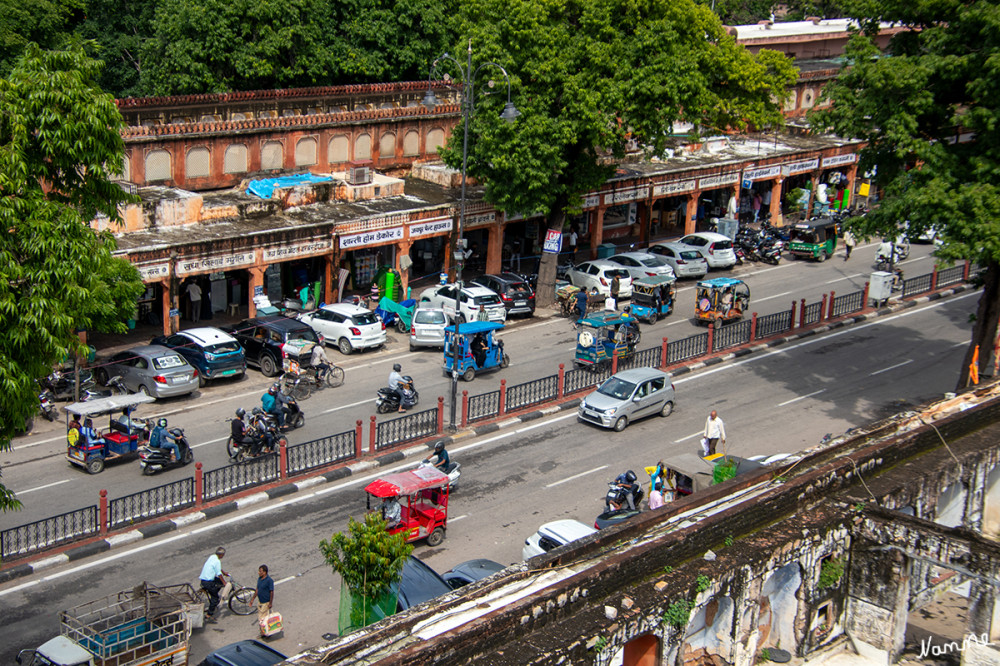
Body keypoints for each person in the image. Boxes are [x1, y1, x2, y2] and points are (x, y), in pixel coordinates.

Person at [199, 547, 227, 620]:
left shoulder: (212, 557)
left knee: (218, 582)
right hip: (208, 582)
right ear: (221, 555)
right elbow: (218, 573)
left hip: (203, 579)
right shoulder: (217, 561)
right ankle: (209, 614)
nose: (223, 556)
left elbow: (218, 568)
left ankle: (213, 592)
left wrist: (224, 573)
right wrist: (224, 583)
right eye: (223, 555)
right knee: (215, 597)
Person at [251, 564, 275, 638]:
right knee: (262, 619)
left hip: (266, 603)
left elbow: (271, 592)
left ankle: (265, 633)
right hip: (260, 602)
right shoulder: (259, 579)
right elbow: (257, 589)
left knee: (262, 619)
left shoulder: (269, 581)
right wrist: (252, 599)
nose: (259, 572)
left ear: (265, 572)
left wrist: (270, 603)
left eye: (260, 571)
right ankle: (264, 633)